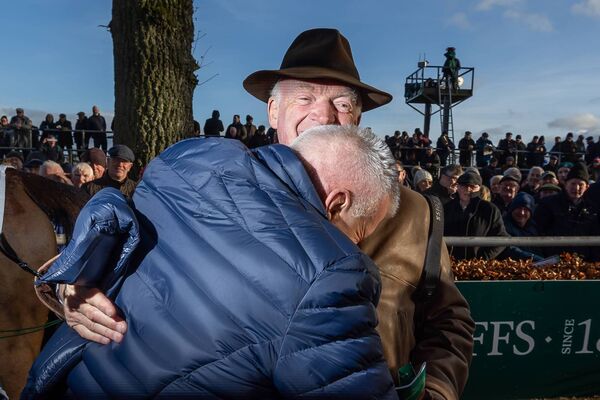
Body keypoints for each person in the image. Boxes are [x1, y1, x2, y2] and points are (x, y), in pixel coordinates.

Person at [50, 28, 475, 400]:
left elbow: (449, 319)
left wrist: (436, 388)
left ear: (358, 117)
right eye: (304, 97)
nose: (323, 115)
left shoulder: (414, 212)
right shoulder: (206, 183)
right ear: (273, 112)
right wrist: (72, 290)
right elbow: (115, 249)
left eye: (342, 104)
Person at [27, 126, 399, 398]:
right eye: (360, 232)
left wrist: (71, 281)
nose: (354, 245)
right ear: (337, 203)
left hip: (60, 380)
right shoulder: (330, 275)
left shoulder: (187, 156)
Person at [534, 163, 600, 261]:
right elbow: (538, 231)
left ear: (587, 187)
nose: (576, 188)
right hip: (554, 261)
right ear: (566, 184)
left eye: (580, 184)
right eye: (573, 183)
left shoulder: (593, 209)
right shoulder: (548, 204)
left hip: (583, 262)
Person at [444, 171, 508, 260]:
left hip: (477, 266)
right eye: (464, 186)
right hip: (448, 264)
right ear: (457, 187)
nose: (468, 189)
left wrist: (483, 258)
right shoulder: (447, 208)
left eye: (473, 187)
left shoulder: (489, 209)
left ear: (479, 188)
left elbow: (502, 238)